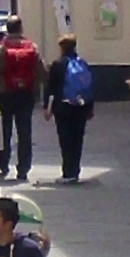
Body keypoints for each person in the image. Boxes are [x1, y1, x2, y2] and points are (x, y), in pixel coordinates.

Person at [0, 14, 42, 180]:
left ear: (7, 28)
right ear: (21, 27)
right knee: (24, 131)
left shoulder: (1, 48)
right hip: (25, 93)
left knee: (4, 131)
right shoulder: (31, 46)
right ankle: (23, 168)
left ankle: (2, 164)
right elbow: (40, 69)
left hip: (4, 93)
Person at [46, 34, 96, 183]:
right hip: (81, 106)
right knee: (77, 139)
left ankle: (68, 173)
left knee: (65, 139)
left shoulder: (58, 65)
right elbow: (89, 87)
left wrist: (47, 108)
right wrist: (90, 107)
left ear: (61, 48)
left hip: (63, 106)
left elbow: (51, 89)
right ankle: (75, 170)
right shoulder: (83, 64)